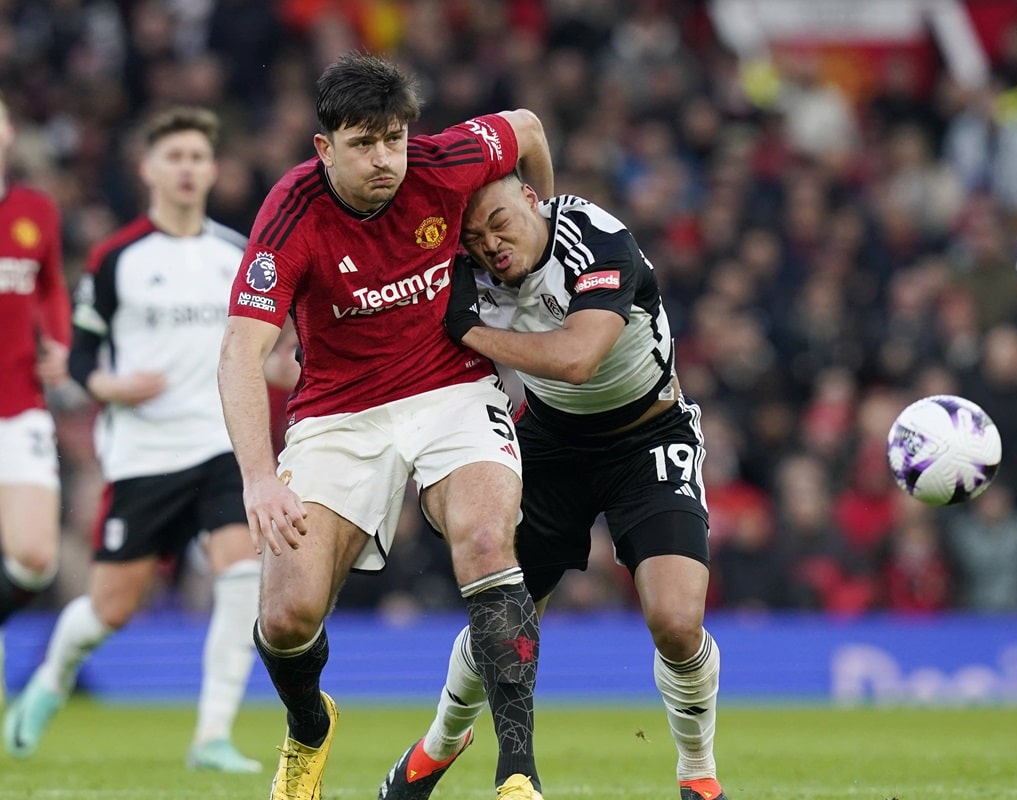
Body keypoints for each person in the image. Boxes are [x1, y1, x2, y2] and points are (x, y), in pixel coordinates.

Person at [215, 53, 553, 800]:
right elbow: (242, 348)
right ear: (324, 148)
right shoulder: (292, 212)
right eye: (364, 144)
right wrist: (260, 476)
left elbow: (526, 129)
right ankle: (309, 725)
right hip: (338, 410)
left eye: (394, 139)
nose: (385, 159)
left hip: (451, 388)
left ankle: (518, 772)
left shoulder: (445, 161)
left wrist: (537, 257)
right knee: (286, 617)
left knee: (490, 541)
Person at [378, 173, 729, 800]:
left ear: (533, 199)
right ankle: (437, 746)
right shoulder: (463, 266)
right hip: (549, 438)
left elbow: (577, 359)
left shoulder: (596, 240)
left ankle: (697, 772)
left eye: (500, 223)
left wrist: (471, 331)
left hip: (648, 435)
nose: (490, 244)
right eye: (475, 236)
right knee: (507, 610)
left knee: (676, 621)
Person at [2, 106, 276, 773]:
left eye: (197, 157)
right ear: (149, 169)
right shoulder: (117, 258)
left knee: (241, 575)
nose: (186, 168)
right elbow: (83, 359)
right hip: (145, 455)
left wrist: (281, 368)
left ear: (213, 169)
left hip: (220, 444)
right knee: (109, 609)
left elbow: (259, 350)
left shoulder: (237, 256)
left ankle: (211, 736)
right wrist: (112, 388)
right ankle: (52, 678)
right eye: (173, 157)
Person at [0, 93, 72, 705]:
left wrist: (61, 344)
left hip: (20, 402)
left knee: (35, 557)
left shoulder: (35, 211)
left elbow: (50, 288)